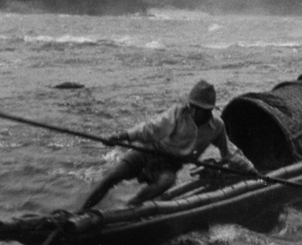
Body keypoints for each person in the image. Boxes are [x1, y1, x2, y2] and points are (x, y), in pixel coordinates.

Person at [81, 80, 257, 210]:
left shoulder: (217, 127)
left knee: (167, 180)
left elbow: (230, 153)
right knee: (112, 176)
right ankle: (80, 211)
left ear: (210, 110)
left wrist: (250, 169)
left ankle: (130, 207)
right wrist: (123, 136)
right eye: (193, 106)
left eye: (200, 108)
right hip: (149, 151)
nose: (195, 111)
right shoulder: (178, 113)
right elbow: (151, 129)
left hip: (169, 164)